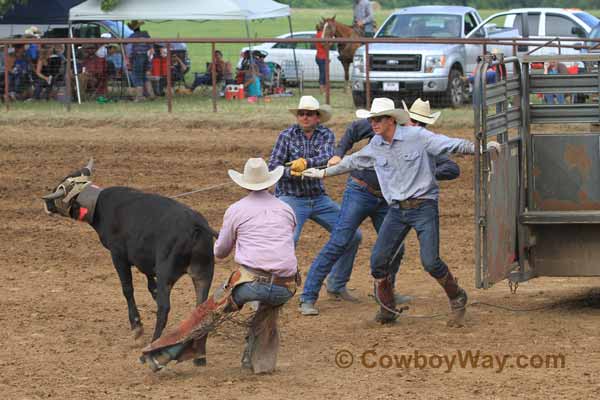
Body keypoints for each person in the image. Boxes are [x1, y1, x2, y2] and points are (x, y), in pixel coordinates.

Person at [302, 98, 500, 325]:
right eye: (372, 119)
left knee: (430, 261)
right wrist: (323, 173)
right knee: (378, 261)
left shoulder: (418, 137)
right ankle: (388, 309)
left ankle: (457, 296)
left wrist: (480, 148)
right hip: (396, 209)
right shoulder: (376, 145)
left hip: (423, 205)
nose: (373, 123)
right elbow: (354, 161)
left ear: (391, 120)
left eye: (377, 119)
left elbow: (450, 144)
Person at [140, 158, 299, 374]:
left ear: (244, 184)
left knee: (206, 314)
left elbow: (221, 252)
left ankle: (159, 356)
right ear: (270, 183)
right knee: (266, 311)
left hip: (251, 283)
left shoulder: (236, 209)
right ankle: (258, 362)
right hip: (286, 286)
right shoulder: (286, 208)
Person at [268, 95, 362, 315]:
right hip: (291, 197)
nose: (304, 117)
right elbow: (273, 167)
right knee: (287, 239)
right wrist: (291, 171)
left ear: (317, 117)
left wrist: (305, 163)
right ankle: (270, 289)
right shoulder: (286, 135)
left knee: (354, 235)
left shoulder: (326, 134)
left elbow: (328, 156)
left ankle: (337, 285)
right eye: (301, 113)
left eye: (309, 113)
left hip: (318, 197)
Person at [126, 20, 154, 101]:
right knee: (145, 76)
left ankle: (139, 96)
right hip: (146, 56)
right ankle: (151, 94)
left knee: (137, 75)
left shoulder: (133, 36)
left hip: (138, 56)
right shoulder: (146, 34)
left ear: (132, 28)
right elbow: (151, 44)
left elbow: (126, 43)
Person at [315, 24, 328, 94]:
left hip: (322, 57)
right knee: (323, 73)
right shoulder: (320, 34)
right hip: (321, 57)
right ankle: (322, 90)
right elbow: (323, 43)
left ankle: (324, 90)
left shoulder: (318, 34)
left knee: (324, 73)